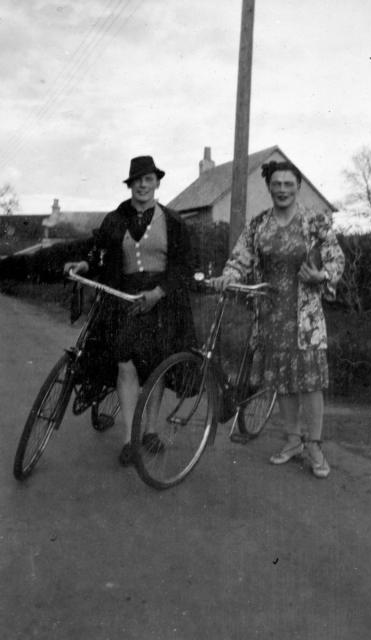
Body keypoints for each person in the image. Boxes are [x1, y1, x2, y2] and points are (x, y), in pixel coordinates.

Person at [213, 160, 344, 478]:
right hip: (271, 313)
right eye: (277, 184)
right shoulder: (258, 224)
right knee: (283, 382)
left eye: (288, 184)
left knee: (310, 382)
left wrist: (322, 274)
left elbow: (335, 256)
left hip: (306, 315)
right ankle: (292, 440)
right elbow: (241, 255)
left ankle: (314, 445)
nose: (282, 189)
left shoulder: (314, 221)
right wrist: (229, 274)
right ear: (269, 187)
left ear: (298, 187)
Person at [64, 155, 196, 466]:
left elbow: (184, 266)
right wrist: (85, 264)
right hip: (123, 299)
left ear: (157, 183)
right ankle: (129, 439)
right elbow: (99, 252)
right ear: (130, 185)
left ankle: (150, 431)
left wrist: (159, 292)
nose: (142, 185)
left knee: (156, 364)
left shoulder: (173, 221)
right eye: (136, 180)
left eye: (148, 179)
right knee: (125, 364)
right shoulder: (115, 218)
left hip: (161, 301)